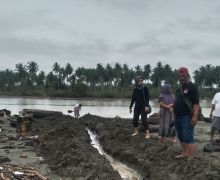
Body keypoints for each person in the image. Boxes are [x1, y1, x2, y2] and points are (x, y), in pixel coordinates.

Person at [173, 67, 200, 158]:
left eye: (183, 76)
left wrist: (195, 117)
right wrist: (174, 114)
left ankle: (191, 157)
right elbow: (176, 101)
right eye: (180, 76)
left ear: (188, 75)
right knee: (180, 136)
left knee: (188, 136)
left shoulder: (193, 87)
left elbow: (196, 104)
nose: (182, 78)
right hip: (177, 116)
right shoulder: (178, 88)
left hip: (187, 116)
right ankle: (185, 153)